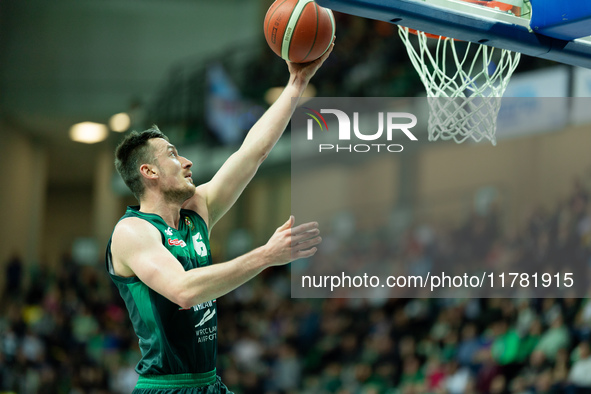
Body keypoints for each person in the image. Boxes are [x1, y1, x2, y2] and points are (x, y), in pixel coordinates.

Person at [106, 44, 333, 393]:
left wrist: (297, 83)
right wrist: (266, 255)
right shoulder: (132, 232)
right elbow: (183, 291)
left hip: (209, 383)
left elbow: (252, 153)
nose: (187, 162)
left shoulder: (197, 209)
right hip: (166, 387)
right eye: (173, 155)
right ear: (148, 171)